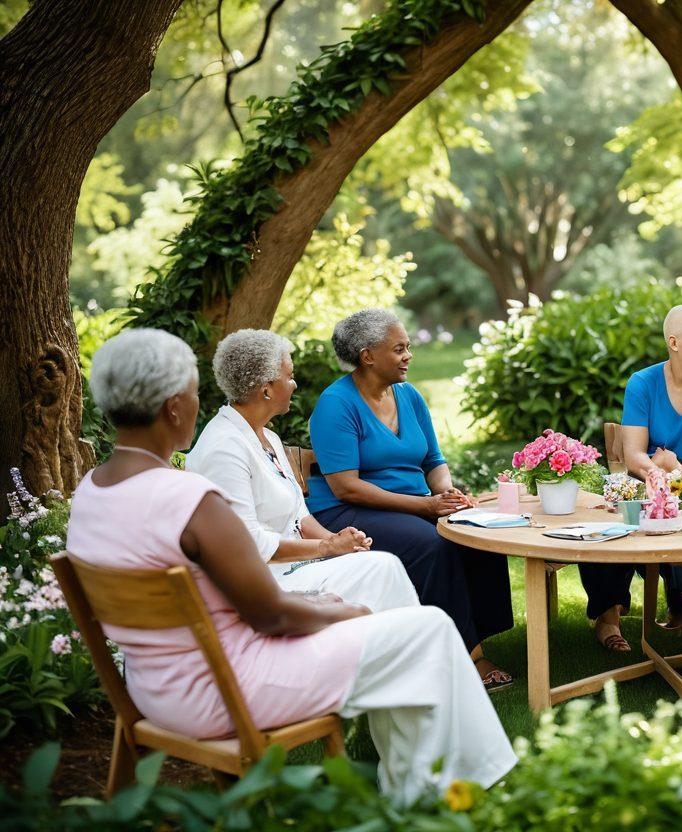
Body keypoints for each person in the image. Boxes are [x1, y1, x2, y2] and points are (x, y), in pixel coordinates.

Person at [67, 329, 515, 804]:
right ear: (174, 407)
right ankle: (437, 794)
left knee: (389, 596)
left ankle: (413, 781)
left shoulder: (90, 493)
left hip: (156, 689)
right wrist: (340, 612)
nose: (200, 406)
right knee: (429, 630)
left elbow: (246, 598)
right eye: (196, 395)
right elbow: (272, 615)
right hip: (227, 689)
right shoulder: (193, 501)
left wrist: (314, 594)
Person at [307, 309, 515, 690]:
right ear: (368, 355)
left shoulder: (409, 395)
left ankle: (477, 632)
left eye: (407, 347)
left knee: (478, 535)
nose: (409, 356)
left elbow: (433, 460)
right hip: (347, 511)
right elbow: (345, 486)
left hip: (412, 503)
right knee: (433, 546)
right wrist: (425, 507)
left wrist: (446, 493)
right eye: (399, 348)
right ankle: (467, 656)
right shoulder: (336, 404)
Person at [187, 329, 416, 613]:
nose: (294, 384)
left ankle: (385, 648)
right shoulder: (223, 449)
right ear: (267, 388)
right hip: (266, 584)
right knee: (382, 568)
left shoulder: (266, 437)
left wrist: (337, 540)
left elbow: (299, 515)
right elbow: (248, 544)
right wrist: (326, 549)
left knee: (380, 565)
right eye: (289, 375)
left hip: (298, 567)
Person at [577, 305, 682, 651]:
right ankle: (608, 616)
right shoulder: (643, 383)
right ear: (674, 342)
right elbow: (634, 452)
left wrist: (676, 467)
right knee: (608, 526)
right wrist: (656, 472)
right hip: (648, 483)